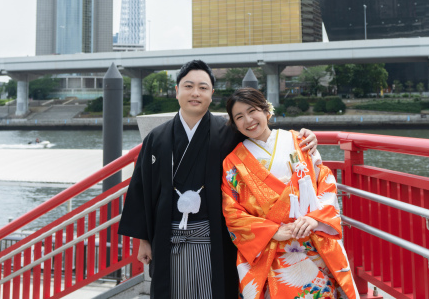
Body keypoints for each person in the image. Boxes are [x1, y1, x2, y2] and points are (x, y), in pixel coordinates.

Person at [118, 60, 319, 299]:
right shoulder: (156, 138)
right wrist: (144, 240)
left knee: (215, 290)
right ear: (177, 91)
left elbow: (266, 142)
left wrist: (302, 137)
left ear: (211, 93)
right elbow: (142, 189)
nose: (195, 93)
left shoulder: (229, 132)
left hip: (216, 237)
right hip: (168, 236)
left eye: (203, 87)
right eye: (188, 86)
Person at [222, 88, 358, 299]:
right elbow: (232, 212)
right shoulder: (233, 162)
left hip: (312, 239)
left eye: (252, 111)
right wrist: (271, 231)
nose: (248, 120)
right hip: (271, 248)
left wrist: (315, 219)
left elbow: (324, 180)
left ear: (266, 111)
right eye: (239, 117)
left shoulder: (299, 141)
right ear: (234, 124)